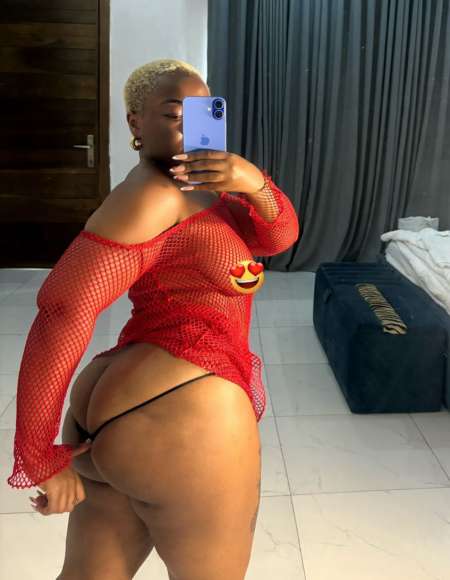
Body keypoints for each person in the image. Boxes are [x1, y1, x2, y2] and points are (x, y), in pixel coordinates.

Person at [9, 58, 299, 579]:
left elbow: (277, 237)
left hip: (128, 410)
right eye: (173, 115)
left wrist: (251, 181)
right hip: (185, 415)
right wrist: (35, 455)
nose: (191, 128)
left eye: (204, 113)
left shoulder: (202, 186)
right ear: (135, 122)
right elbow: (62, 309)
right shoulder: (153, 195)